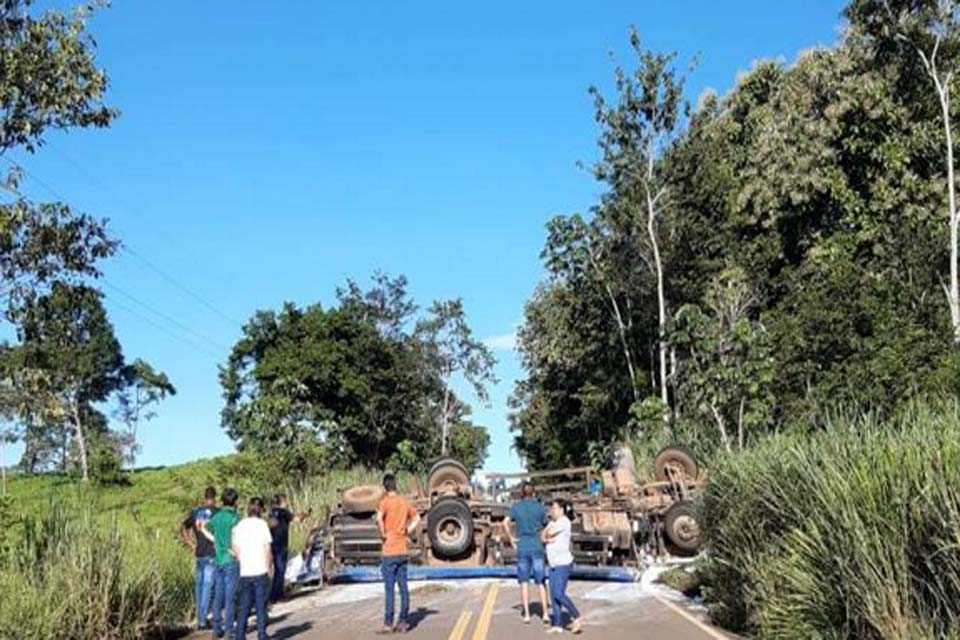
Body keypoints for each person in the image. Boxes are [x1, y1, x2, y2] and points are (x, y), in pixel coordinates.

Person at [377, 473, 421, 634]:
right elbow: (417, 518)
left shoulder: (384, 503)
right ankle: (403, 621)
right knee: (403, 587)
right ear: (395, 485)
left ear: (384, 487)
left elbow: (379, 518)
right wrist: (407, 531)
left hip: (389, 550)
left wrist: (383, 534)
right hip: (402, 550)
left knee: (389, 589)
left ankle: (388, 623)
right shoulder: (404, 502)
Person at [505, 481, 550, 624]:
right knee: (541, 581)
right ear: (534, 493)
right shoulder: (540, 508)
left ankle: (527, 614)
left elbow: (505, 522)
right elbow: (547, 525)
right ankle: (545, 614)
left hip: (522, 546)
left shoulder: (516, 508)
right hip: (537, 546)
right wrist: (544, 537)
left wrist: (511, 538)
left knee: (524, 582)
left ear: (522, 493)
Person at [202, 488, 241, 639]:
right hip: (230, 560)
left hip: (218, 560)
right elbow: (236, 536)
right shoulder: (235, 518)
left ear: (222, 501)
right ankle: (228, 631)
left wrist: (216, 541)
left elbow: (205, 527)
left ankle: (216, 629)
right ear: (234, 502)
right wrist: (234, 550)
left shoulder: (217, 517)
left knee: (218, 597)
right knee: (230, 598)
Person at [233, 497, 273, 640]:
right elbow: (267, 548)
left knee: (244, 606)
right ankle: (261, 634)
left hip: (246, 571)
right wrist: (268, 567)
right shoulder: (262, 525)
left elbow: (235, 548)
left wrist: (242, 560)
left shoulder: (240, 526)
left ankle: (240, 635)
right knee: (261, 605)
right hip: (260, 569)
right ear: (260, 511)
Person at [542, 499, 583, 635]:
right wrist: (547, 537)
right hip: (553, 563)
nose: (551, 511)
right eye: (551, 508)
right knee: (553, 595)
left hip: (562, 563)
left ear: (561, 510)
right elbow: (542, 536)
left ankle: (576, 616)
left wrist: (547, 535)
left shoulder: (564, 522)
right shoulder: (552, 522)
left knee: (559, 593)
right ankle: (557, 624)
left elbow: (549, 533)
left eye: (554, 508)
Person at [181, 486, 219, 630]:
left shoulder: (196, 512)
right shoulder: (218, 512)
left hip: (199, 553)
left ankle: (200, 618)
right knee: (208, 587)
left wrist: (190, 544)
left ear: (204, 497)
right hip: (211, 553)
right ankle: (203, 621)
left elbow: (183, 527)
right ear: (214, 497)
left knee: (200, 586)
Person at [267, 493, 310, 603]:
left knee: (277, 569)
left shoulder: (271, 512)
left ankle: (273, 594)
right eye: (286, 501)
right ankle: (277, 595)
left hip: (273, 543)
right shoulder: (283, 512)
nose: (287, 503)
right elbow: (297, 519)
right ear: (282, 501)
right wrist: (306, 514)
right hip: (281, 544)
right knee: (281, 570)